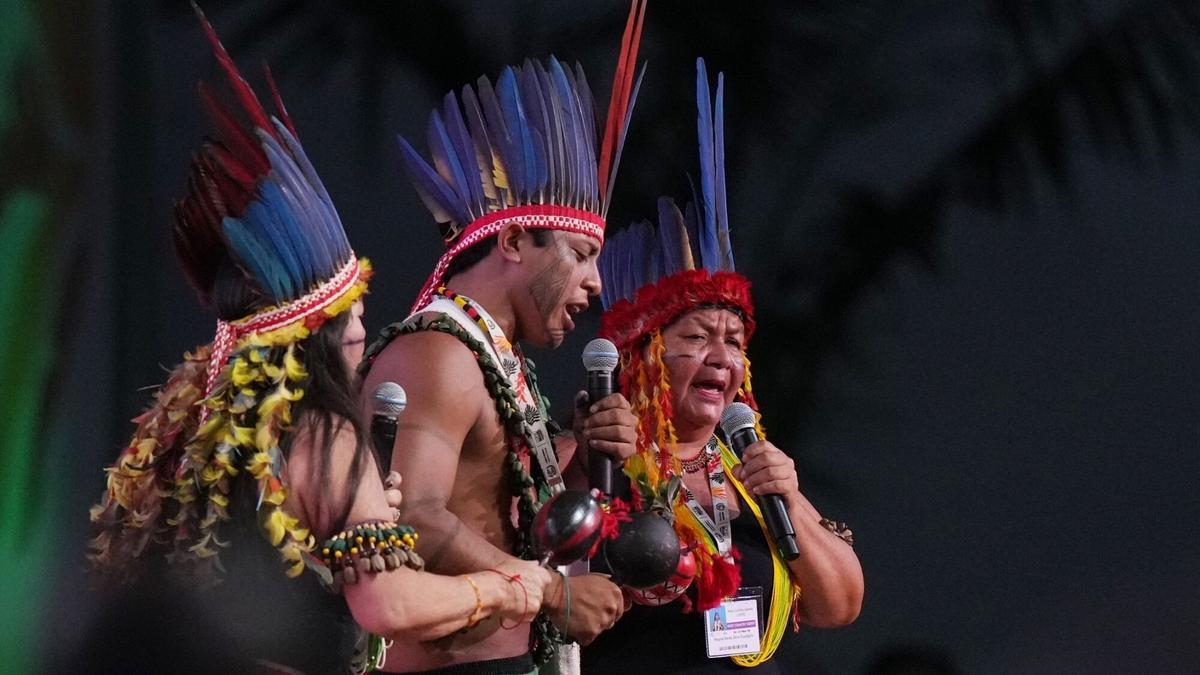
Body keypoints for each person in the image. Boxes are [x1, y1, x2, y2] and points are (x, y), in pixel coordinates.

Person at [87, 11, 550, 673]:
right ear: (305, 335)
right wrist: (508, 588)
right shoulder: (324, 435)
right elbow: (387, 605)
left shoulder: (187, 421)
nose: (362, 326)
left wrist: (364, 517)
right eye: (344, 314)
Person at [358, 2, 648, 671]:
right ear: (516, 240)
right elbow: (414, 519)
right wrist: (549, 592)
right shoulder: (437, 353)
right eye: (580, 254)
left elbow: (500, 508)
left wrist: (580, 461)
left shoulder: (498, 361)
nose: (597, 283)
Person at [579, 58, 864, 673]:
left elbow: (838, 606)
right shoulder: (597, 458)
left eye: (734, 342)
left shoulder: (752, 474)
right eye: (699, 337)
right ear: (646, 354)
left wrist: (786, 497)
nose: (723, 358)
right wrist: (583, 469)